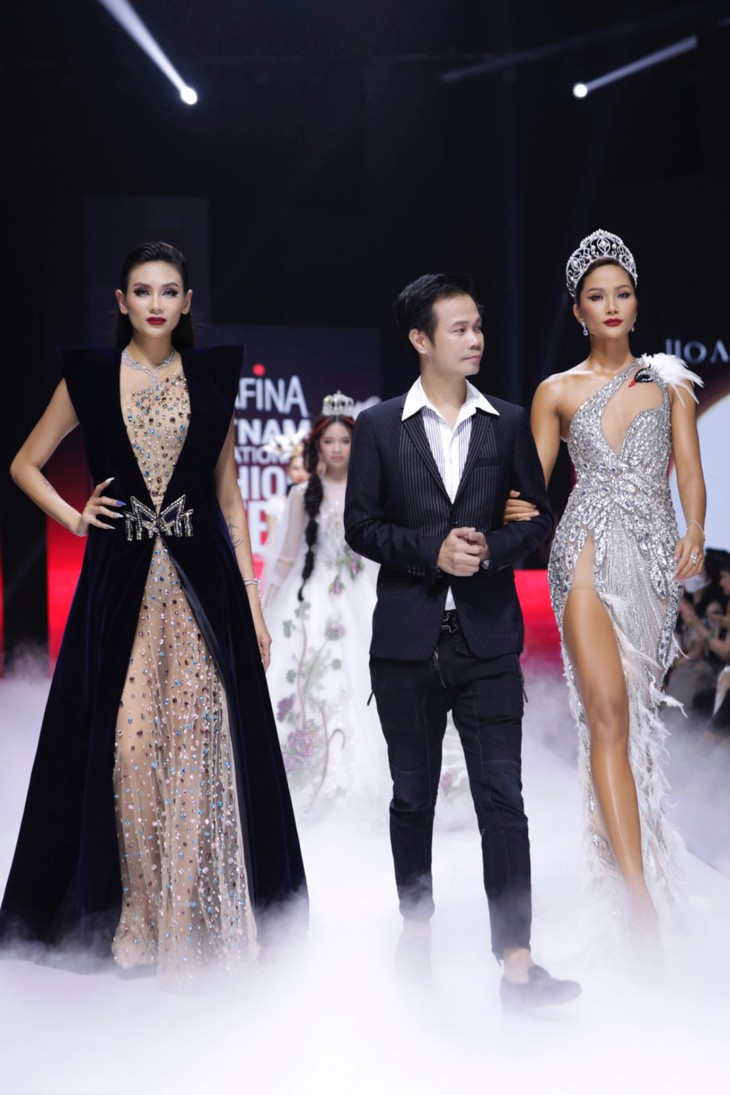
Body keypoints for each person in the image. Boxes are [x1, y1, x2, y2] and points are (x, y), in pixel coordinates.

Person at [0, 241, 306, 979]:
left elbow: (229, 498)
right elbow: (23, 463)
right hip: (122, 585)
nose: (157, 303)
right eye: (143, 290)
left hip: (203, 585)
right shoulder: (90, 377)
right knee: (132, 749)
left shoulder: (211, 378)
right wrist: (74, 518)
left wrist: (255, 608)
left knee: (199, 750)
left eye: (170, 291)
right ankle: (139, 916)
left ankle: (188, 926)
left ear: (188, 302)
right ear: (122, 301)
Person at [344, 272, 581, 1009]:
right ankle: (416, 923)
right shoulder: (379, 426)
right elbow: (360, 526)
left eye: (478, 326)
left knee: (502, 798)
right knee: (412, 795)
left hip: (487, 640)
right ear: (421, 339)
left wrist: (490, 552)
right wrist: (432, 551)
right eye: (460, 328)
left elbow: (537, 520)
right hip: (407, 642)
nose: (476, 339)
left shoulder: (507, 422)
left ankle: (518, 962)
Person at [506, 229, 706, 952]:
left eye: (622, 293)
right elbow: (532, 489)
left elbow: (689, 472)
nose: (612, 305)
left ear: (636, 303)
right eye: (598, 296)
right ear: (578, 311)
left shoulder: (670, 384)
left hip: (650, 560)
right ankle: (638, 903)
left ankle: (626, 855)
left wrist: (695, 526)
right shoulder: (557, 391)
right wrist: (498, 520)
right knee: (609, 715)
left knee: (633, 722)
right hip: (585, 551)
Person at [262, 394, 386, 810]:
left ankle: (371, 776)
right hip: (312, 594)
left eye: (345, 441)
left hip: (363, 591)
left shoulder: (372, 490)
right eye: (329, 441)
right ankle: (307, 776)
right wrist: (264, 604)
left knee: (369, 677)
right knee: (309, 676)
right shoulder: (302, 493)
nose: (337, 449)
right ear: (317, 445)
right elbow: (285, 555)